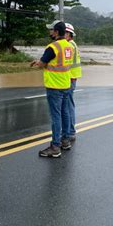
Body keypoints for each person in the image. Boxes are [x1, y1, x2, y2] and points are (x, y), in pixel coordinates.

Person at [30, 20, 74, 158]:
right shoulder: (69, 46)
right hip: (66, 84)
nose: (50, 32)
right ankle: (65, 141)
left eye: (51, 30)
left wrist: (37, 62)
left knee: (55, 116)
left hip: (54, 86)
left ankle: (55, 146)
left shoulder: (52, 47)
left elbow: (43, 63)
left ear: (56, 32)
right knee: (65, 113)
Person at [64, 23, 82, 142]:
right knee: (68, 106)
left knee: (68, 106)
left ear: (70, 35)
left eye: (65, 33)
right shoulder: (71, 44)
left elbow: (66, 62)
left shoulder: (69, 45)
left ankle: (70, 132)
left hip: (70, 78)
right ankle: (69, 131)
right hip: (71, 77)